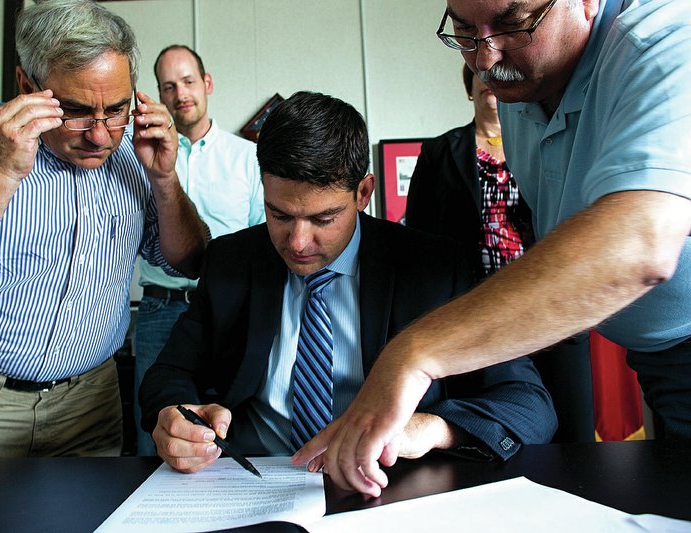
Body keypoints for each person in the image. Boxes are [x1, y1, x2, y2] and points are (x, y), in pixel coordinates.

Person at [294, 0, 691, 497]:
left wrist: (414, 354)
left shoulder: (663, 41)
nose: (482, 59)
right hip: (656, 356)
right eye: (463, 29)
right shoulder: (522, 83)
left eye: (512, 23)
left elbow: (639, 243)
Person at [139, 91, 557, 473]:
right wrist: (176, 416)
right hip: (252, 478)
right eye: (279, 215)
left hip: (388, 485)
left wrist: (429, 428)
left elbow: (528, 403)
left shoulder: (432, 269)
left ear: (364, 193)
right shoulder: (231, 261)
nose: (298, 242)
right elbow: (167, 374)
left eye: (323, 219)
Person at [0, 0, 208, 459]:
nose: (100, 135)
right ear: (26, 85)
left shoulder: (134, 152)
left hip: (89, 410)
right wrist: (0, 174)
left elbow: (189, 260)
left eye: (117, 109)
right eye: (76, 111)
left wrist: (164, 179)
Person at [405, 64, 593, 442]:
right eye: (482, 78)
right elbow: (419, 237)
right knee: (498, 427)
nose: (491, 85)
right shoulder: (441, 152)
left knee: (574, 429)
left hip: (551, 304)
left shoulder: (544, 142)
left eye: (500, 80)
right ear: (469, 88)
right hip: (478, 311)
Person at [133, 45, 264, 456]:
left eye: (188, 81)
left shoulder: (249, 157)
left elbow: (264, 239)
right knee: (155, 431)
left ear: (207, 84)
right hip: (158, 310)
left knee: (228, 426)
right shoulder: (139, 159)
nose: (180, 93)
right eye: (168, 86)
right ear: (158, 93)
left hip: (231, 312)